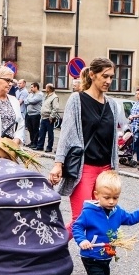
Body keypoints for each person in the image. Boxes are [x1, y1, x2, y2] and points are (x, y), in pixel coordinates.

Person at [49, 58, 122, 227]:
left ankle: (100, 253)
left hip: (106, 170)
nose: (108, 81)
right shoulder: (77, 100)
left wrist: (114, 171)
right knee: (80, 220)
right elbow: (66, 133)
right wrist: (58, 164)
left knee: (104, 220)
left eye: (111, 77)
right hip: (85, 169)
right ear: (92, 74)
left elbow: (112, 141)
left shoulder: (111, 104)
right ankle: (50, 250)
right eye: (105, 76)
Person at [35, 83, 60, 152]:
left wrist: (51, 116)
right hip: (43, 117)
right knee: (41, 133)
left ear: (49, 89)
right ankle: (40, 146)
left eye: (46, 88)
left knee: (50, 133)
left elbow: (55, 108)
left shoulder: (54, 97)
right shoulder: (47, 96)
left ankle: (49, 147)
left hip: (49, 118)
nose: (45, 89)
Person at [24, 82, 43, 147]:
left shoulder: (40, 94)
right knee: (30, 129)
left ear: (36, 87)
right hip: (29, 114)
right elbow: (25, 101)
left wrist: (29, 100)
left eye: (32, 87)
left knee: (35, 129)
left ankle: (35, 143)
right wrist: (29, 100)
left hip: (36, 114)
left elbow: (33, 101)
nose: (31, 89)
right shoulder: (31, 94)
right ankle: (32, 142)